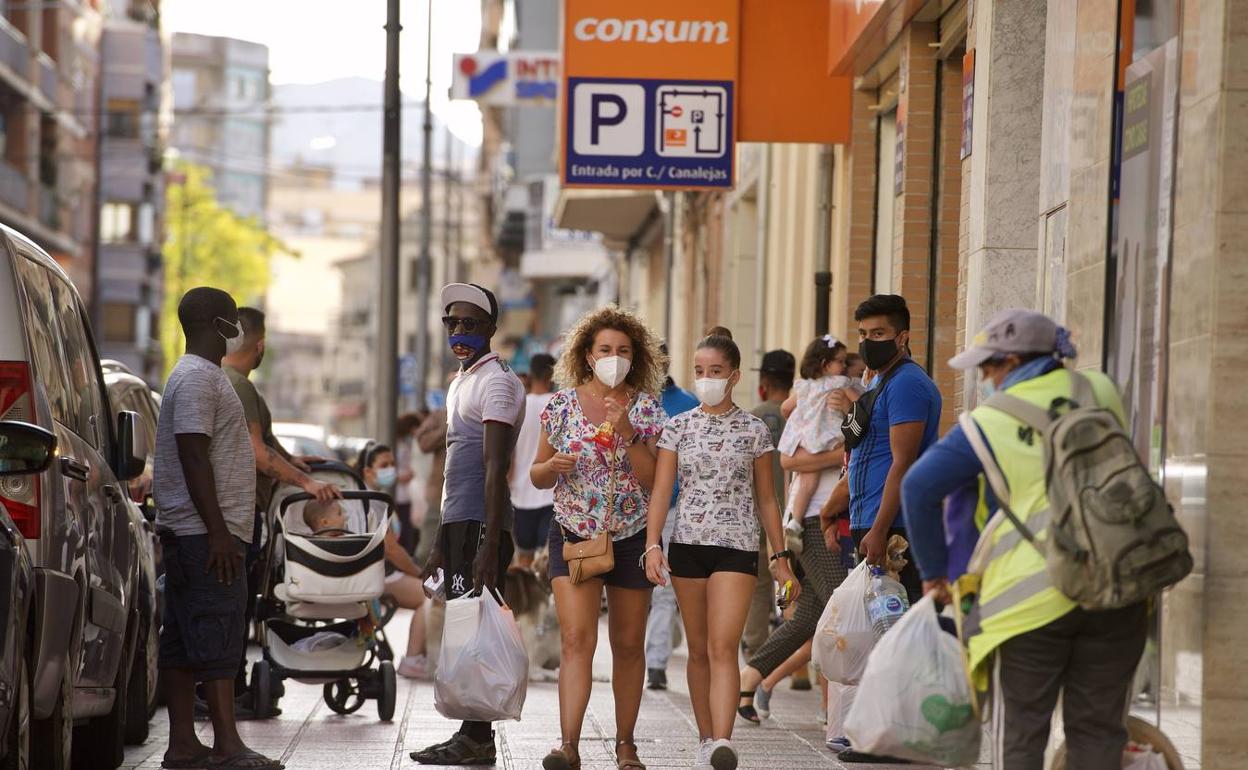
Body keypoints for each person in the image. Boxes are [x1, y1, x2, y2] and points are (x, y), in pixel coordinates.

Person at [901, 309, 1143, 770]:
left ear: (1013, 362)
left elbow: (918, 487)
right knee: (1098, 731)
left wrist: (933, 575)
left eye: (989, 366)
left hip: (1029, 600)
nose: (985, 377)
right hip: (1116, 584)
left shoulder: (987, 421)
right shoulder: (1100, 391)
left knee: (1023, 734)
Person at [644, 334, 798, 770]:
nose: (706, 379)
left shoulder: (755, 430)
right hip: (687, 546)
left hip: (737, 547)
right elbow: (661, 490)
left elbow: (768, 499)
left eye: (715, 372)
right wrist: (653, 544)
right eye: (699, 371)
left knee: (722, 646)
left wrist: (780, 557)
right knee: (697, 650)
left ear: (733, 376)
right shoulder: (679, 426)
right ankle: (706, 737)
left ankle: (723, 741)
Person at [530, 307, 667, 770]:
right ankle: (568, 744)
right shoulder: (561, 405)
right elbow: (536, 474)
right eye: (606, 350)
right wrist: (551, 468)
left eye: (624, 351)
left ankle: (625, 745)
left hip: (630, 535)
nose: (615, 358)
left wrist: (628, 432)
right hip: (572, 534)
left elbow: (653, 481)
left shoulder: (647, 407)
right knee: (576, 639)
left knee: (629, 644)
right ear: (588, 356)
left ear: (636, 357)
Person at [153, 287, 283, 770]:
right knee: (217, 632)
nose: (238, 330)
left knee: (186, 638)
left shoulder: (201, 377)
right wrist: (219, 532)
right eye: (232, 320)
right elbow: (192, 454)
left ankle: (183, 744)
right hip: (204, 535)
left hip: (197, 533)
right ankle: (228, 744)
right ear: (218, 324)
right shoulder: (196, 379)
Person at [411, 283, 525, 766]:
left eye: (471, 324)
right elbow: (452, 476)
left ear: (491, 330)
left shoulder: (497, 382)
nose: (459, 332)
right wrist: (440, 541)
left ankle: (478, 738)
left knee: (475, 630)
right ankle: (470, 733)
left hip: (482, 523)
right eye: (452, 323)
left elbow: (494, 469)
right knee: (462, 629)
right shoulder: (462, 380)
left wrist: (488, 543)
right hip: (458, 523)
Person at [222, 306, 339, 707]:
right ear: (261, 345)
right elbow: (256, 452)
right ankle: (231, 691)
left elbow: (267, 446)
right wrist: (306, 482)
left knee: (234, 604)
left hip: (233, 511)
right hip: (237, 512)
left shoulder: (226, 381)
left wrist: (294, 463)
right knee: (235, 605)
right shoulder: (239, 386)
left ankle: (228, 690)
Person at [736, 336, 852, 725]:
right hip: (817, 521)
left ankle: (752, 677)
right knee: (843, 606)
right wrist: (836, 450)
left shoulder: (845, 398)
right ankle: (841, 703)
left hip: (830, 515)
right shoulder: (814, 404)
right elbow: (790, 460)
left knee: (810, 616)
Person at [828, 294, 941, 597]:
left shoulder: (907, 384)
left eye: (878, 334)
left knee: (896, 629)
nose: (867, 342)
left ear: (902, 337)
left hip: (895, 528)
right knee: (876, 630)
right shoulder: (880, 382)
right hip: (872, 521)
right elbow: (866, 455)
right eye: (863, 334)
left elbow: (901, 462)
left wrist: (879, 530)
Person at [644, 342, 701, 691]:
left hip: (674, 508)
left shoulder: (690, 404)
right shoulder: (631, 403)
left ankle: (656, 663)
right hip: (635, 509)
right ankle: (648, 656)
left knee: (663, 589)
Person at [356, 442, 432, 679]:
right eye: (383, 465)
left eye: (392, 464)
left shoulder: (367, 496)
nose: (390, 469)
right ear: (368, 471)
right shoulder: (375, 501)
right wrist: (420, 573)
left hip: (369, 572)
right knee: (430, 596)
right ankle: (413, 658)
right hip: (379, 574)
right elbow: (391, 549)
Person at [741, 349, 795, 660]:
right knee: (795, 590)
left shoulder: (752, 418)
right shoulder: (801, 415)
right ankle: (799, 664)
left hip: (758, 521)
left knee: (759, 589)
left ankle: (755, 654)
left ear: (763, 382)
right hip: (795, 520)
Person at [778, 337, 855, 545]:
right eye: (840, 361)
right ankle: (796, 522)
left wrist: (802, 418)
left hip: (808, 437)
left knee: (807, 477)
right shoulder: (839, 384)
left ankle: (795, 520)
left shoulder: (804, 387)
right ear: (825, 364)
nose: (844, 366)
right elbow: (861, 409)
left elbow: (785, 408)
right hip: (830, 436)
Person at [510, 353, 558, 571]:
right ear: (552, 374)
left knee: (524, 559)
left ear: (530, 374)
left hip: (520, 493)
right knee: (547, 560)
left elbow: (508, 451)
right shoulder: (558, 404)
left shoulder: (518, 406)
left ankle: (523, 603)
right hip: (551, 493)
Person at [393, 411, 425, 553]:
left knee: (405, 528)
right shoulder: (396, 445)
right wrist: (402, 476)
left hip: (405, 493)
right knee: (402, 529)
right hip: (399, 493)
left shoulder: (403, 444)